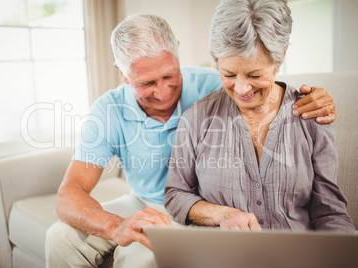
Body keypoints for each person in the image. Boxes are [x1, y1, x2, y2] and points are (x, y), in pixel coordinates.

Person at [45, 13, 339, 268]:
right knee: (59, 237)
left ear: (178, 53)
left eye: (169, 75)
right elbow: (70, 192)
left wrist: (313, 97)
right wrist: (115, 226)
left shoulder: (216, 84)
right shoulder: (108, 111)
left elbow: (267, 88)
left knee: (141, 258)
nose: (162, 93)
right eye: (146, 83)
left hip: (197, 208)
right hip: (142, 200)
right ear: (122, 73)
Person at [164, 0, 354, 233]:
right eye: (229, 74)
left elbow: (330, 211)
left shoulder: (311, 114)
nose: (242, 89)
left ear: (281, 56)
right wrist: (222, 214)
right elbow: (175, 195)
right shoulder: (196, 118)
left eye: (255, 74)